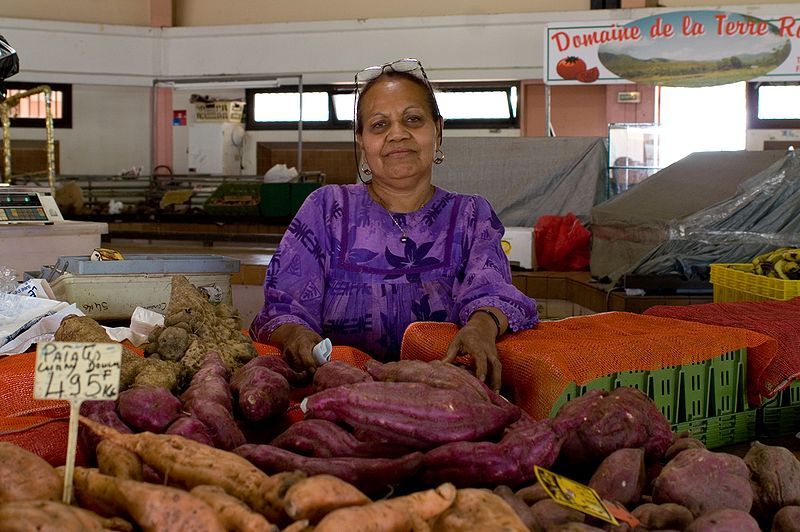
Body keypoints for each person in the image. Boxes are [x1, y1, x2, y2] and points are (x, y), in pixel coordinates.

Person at [250, 58, 538, 391]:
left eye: (413, 119)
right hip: (335, 397)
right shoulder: (327, 209)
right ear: (361, 140)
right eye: (379, 125)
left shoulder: (471, 215)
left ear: (438, 130)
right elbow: (284, 307)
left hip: (447, 400)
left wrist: (481, 327)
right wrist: (297, 336)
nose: (397, 134)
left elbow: (491, 294)